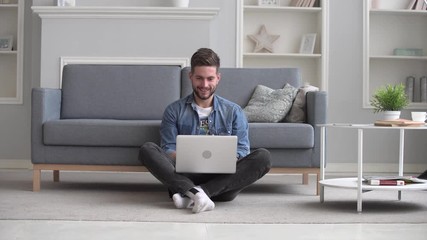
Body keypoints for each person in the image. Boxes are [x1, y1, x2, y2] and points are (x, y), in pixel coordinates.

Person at [139, 48, 271, 213]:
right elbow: (168, 149)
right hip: (186, 176)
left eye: (210, 79)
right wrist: (189, 157)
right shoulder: (174, 111)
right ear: (191, 77)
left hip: (223, 182)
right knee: (147, 149)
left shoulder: (234, 111)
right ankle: (194, 192)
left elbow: (242, 150)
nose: (204, 85)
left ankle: (195, 194)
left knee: (263, 157)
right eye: (199, 78)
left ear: (218, 78)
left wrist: (225, 159)